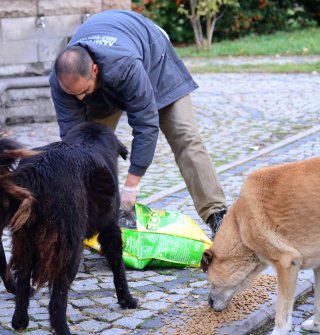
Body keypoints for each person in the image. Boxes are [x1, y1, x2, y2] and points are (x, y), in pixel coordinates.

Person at [48, 9, 227, 235]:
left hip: (155, 66)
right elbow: (73, 141)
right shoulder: (62, 81)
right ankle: (96, 219)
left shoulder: (124, 65)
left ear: (94, 70)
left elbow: (145, 124)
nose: (80, 100)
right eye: (73, 95)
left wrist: (131, 188)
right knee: (88, 146)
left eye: (82, 92)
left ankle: (217, 215)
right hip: (107, 82)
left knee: (185, 137)